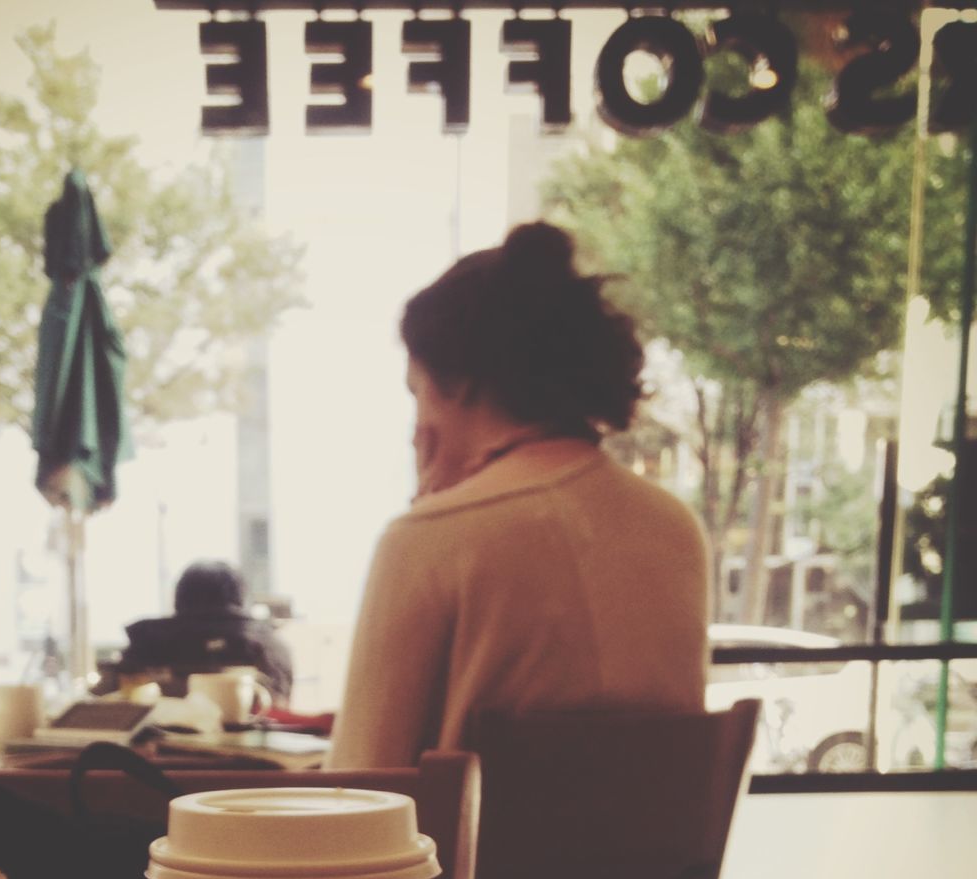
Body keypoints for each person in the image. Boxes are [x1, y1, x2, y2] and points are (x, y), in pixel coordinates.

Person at [328, 221, 708, 768]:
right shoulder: (677, 528)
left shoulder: (427, 541)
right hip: (667, 858)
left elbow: (358, 791)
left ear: (460, 384)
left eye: (418, 393)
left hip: (472, 858)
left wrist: (429, 514)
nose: (416, 428)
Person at [117, 559, 293, 702]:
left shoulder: (148, 640)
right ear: (243, 598)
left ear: (179, 597)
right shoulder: (270, 645)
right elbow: (280, 702)